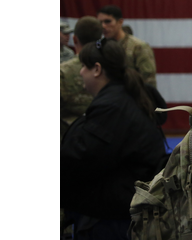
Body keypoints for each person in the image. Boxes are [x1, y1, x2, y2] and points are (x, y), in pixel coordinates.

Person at [61, 38, 167, 240]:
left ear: (97, 69)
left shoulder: (113, 108)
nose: (81, 71)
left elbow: (79, 160)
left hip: (112, 221)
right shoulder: (125, 98)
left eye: (84, 66)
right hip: (122, 213)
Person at [60, 16, 103, 139]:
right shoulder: (113, 68)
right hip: (105, 142)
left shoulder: (63, 72)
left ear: (74, 39)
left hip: (69, 142)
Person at [97, 5, 157, 88]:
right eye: (100, 22)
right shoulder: (99, 47)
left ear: (120, 22)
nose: (103, 26)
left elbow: (148, 81)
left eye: (107, 21)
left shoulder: (138, 47)